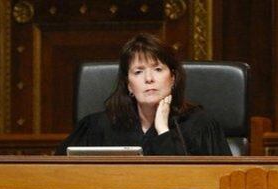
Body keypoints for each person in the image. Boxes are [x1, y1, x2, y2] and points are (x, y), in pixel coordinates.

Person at [57, 34, 231, 156]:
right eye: (139, 72)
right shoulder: (99, 126)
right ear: (129, 85)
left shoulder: (201, 125)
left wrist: (163, 130)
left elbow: (212, 184)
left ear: (173, 78)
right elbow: (60, 173)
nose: (149, 79)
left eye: (157, 69)